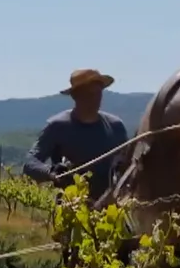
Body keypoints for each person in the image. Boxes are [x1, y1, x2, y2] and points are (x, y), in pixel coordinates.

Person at [23, 68, 130, 201]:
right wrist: (52, 172)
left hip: (111, 210)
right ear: (75, 96)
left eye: (98, 93)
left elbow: (130, 164)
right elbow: (30, 162)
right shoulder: (58, 126)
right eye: (89, 94)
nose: (96, 98)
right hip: (72, 208)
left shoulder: (116, 126)